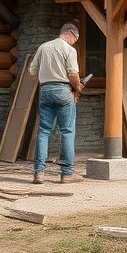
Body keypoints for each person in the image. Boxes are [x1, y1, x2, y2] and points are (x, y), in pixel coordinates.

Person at [28, 22, 84, 184]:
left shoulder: (43, 47)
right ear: (70, 32)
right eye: (76, 38)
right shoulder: (69, 50)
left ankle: (39, 173)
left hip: (45, 90)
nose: (76, 41)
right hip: (63, 90)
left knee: (44, 131)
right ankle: (67, 173)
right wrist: (77, 87)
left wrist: (49, 71)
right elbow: (73, 74)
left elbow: (32, 71)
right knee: (67, 131)